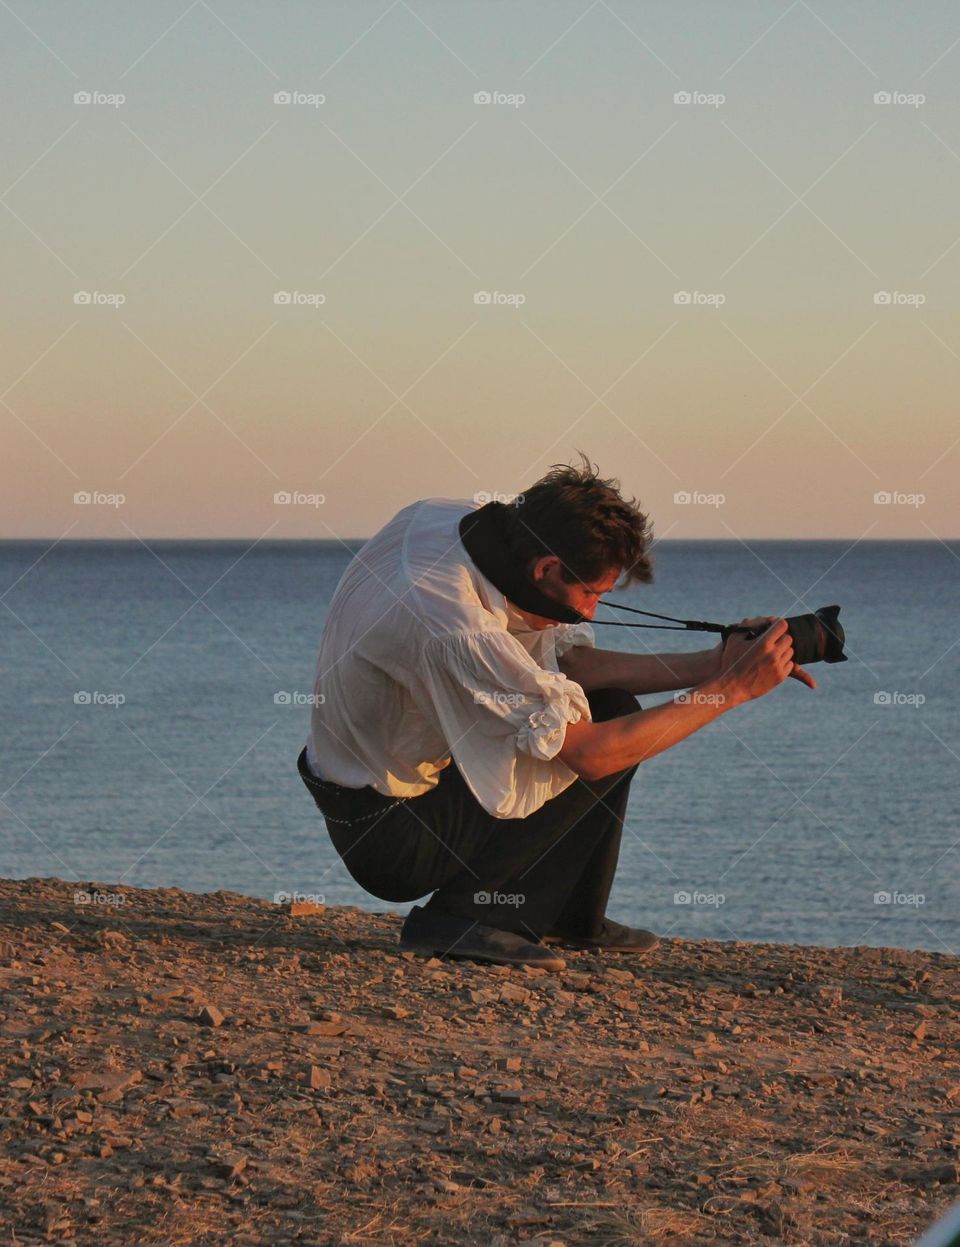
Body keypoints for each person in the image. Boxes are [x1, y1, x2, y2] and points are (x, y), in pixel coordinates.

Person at [296, 454, 815, 971]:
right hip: (392, 836)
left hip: (386, 791)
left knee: (610, 706)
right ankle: (462, 917)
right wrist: (730, 690)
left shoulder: (446, 520)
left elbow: (572, 665)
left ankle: (565, 912)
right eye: (590, 593)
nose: (590, 612)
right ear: (545, 568)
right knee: (600, 735)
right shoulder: (454, 625)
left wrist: (716, 662)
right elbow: (589, 755)